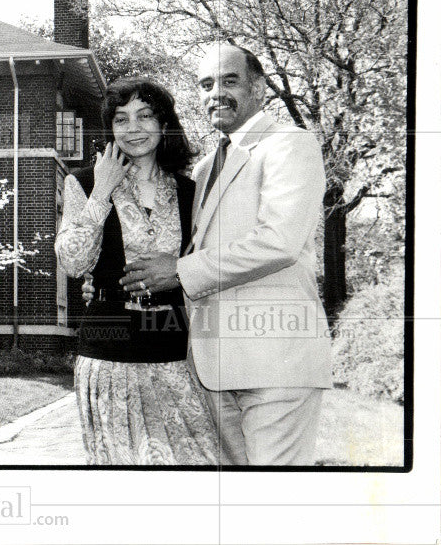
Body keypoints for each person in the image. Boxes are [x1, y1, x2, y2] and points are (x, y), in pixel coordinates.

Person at [122, 43, 332, 466]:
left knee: (273, 505)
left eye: (229, 80)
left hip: (277, 362)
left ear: (260, 88)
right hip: (213, 365)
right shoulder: (205, 168)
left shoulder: (288, 143)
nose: (215, 92)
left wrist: (180, 271)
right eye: (205, 84)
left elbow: (281, 240)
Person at [55, 76, 217, 465]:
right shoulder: (84, 182)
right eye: (121, 119)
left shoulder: (190, 191)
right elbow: (73, 262)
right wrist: (102, 192)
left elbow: (205, 266)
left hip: (175, 352)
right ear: (110, 129)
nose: (134, 129)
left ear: (164, 125)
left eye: (145, 116)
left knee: (197, 465)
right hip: (108, 353)